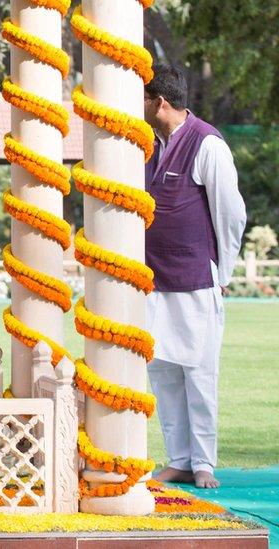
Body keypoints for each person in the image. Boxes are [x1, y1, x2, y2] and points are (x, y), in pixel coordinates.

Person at [143, 63, 246, 489]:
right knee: (163, 371)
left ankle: (203, 461)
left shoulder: (208, 144)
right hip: (153, 281)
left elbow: (231, 213)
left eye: (144, 100)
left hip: (196, 278)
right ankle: (179, 458)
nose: (140, 107)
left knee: (199, 374)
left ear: (160, 103)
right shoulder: (148, 144)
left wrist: (224, 271)